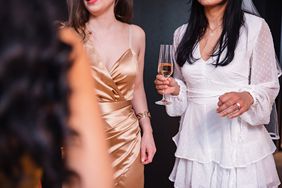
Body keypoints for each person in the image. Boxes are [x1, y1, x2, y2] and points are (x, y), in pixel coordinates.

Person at [155, 0, 281, 187]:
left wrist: (248, 97)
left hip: (238, 146)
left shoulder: (255, 28)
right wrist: (176, 89)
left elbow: (268, 86)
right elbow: (185, 91)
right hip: (195, 144)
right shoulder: (181, 34)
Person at [0, 0, 113, 188]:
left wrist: (145, 125)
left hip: (125, 129)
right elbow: (93, 181)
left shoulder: (135, 35)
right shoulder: (58, 43)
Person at [67, 0, 156, 187]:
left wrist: (147, 130)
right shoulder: (69, 35)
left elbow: (137, 87)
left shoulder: (136, 35)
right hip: (84, 137)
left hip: (127, 139)